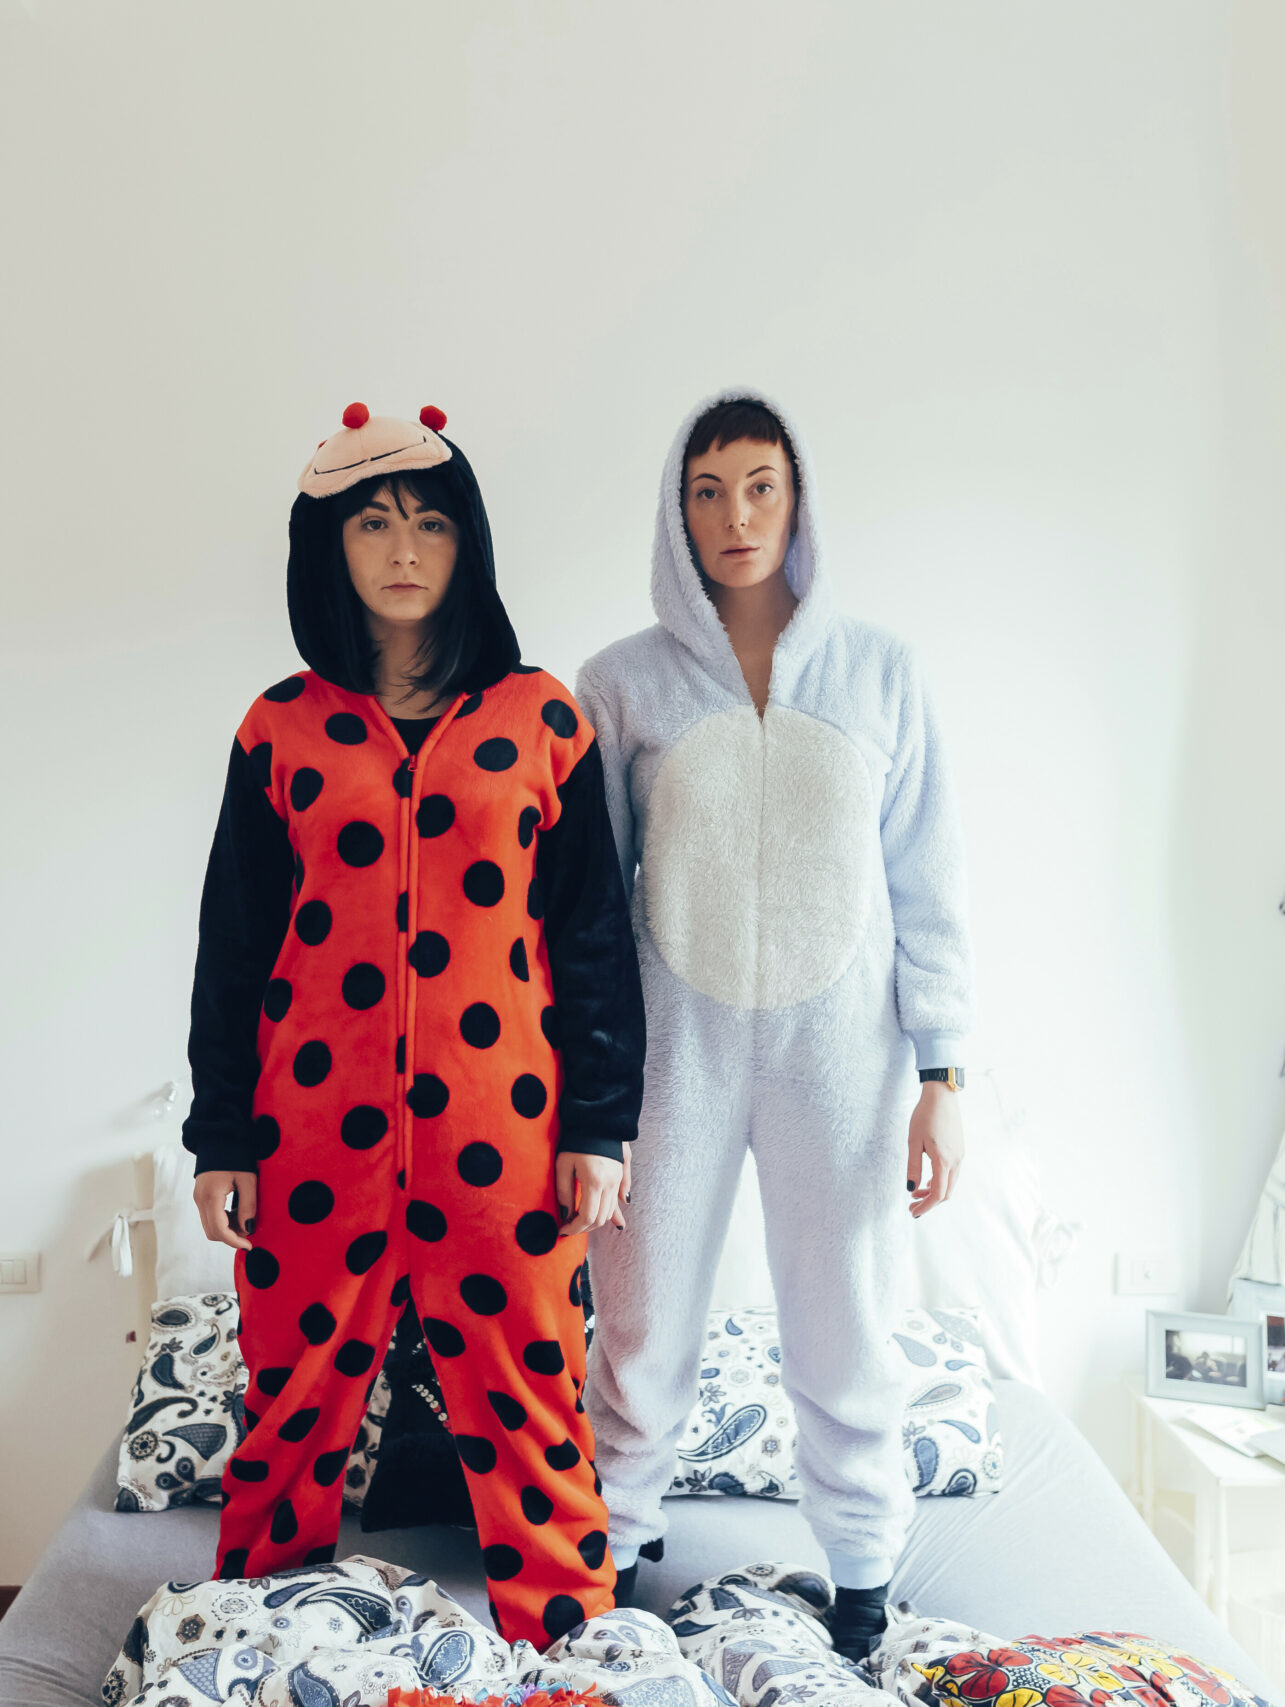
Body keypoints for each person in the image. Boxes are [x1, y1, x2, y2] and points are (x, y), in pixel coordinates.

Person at [180, 402, 643, 1647]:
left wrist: (602, 1123)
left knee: (531, 1403)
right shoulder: (276, 729)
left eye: (430, 522)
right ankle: (249, 1648)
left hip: (507, 1140)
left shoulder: (543, 719)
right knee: (288, 1408)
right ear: (328, 544)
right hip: (309, 1137)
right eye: (374, 521)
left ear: (466, 545)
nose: (402, 546)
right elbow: (232, 946)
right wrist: (217, 1130)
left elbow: (595, 938)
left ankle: (571, 1657)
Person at [578, 389, 975, 1660]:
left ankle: (863, 1583)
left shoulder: (880, 674)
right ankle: (621, 1556)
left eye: (758, 485)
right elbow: (586, 906)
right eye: (706, 491)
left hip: (840, 1061)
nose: (734, 515)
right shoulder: (620, 686)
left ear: (797, 498)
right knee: (637, 1314)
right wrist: (583, 1092)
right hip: (670, 1056)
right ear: (675, 512)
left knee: (846, 1312)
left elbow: (927, 882)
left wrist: (943, 1071)